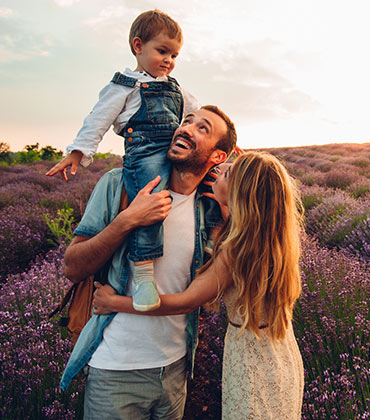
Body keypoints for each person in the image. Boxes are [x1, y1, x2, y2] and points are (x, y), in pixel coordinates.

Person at [93, 151, 305, 419]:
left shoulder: (235, 251)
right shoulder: (274, 240)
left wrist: (115, 303)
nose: (221, 169)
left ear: (241, 194)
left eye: (228, 173)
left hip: (251, 364)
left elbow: (187, 301)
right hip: (282, 357)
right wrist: (226, 188)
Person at [60, 106, 237, 420]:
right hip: (116, 370)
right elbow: (72, 267)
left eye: (203, 128)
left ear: (218, 157)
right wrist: (128, 220)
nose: (186, 128)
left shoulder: (208, 210)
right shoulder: (119, 184)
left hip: (176, 369)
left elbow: (206, 297)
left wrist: (223, 223)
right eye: (186, 121)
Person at [46, 9, 200, 312]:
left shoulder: (176, 86)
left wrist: (227, 142)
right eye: (162, 51)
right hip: (145, 153)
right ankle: (144, 274)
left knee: (210, 180)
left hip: (173, 149)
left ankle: (208, 247)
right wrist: (78, 152)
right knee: (151, 202)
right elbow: (98, 118)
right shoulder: (125, 83)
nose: (169, 60)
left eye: (174, 55)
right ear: (138, 46)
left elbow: (199, 116)